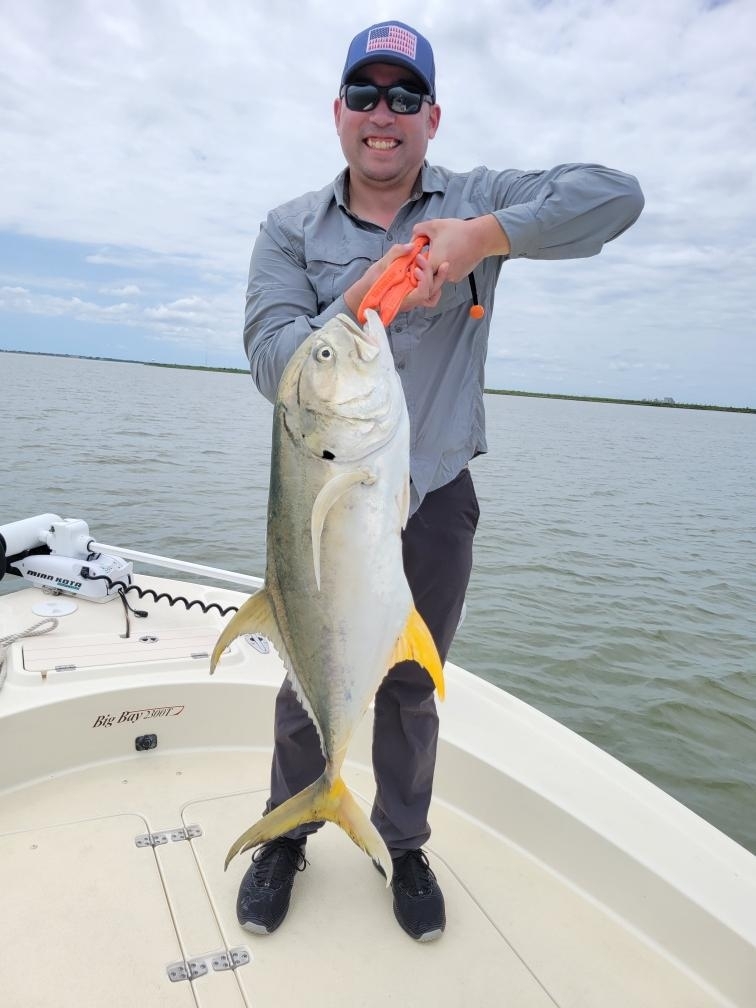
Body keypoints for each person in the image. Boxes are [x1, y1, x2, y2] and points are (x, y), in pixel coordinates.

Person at [238, 20, 644, 942]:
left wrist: (483, 237)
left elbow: (615, 198)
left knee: (414, 682)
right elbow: (271, 360)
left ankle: (404, 842)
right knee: (310, 671)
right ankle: (291, 827)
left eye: (405, 96)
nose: (384, 113)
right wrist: (364, 293)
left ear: (432, 116)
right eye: (366, 95)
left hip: (436, 495)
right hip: (324, 498)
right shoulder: (289, 229)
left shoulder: (475, 199)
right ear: (339, 113)